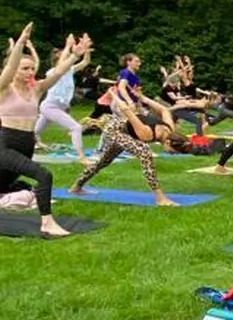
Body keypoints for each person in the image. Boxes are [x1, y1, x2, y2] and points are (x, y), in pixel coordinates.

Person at [0, 26, 93, 236]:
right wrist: (21, 43)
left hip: (26, 144)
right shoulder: (4, 88)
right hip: (5, 143)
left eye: (32, 68)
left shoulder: (37, 88)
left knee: (6, 185)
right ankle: (47, 223)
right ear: (13, 70)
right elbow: (9, 68)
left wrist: (75, 55)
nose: (30, 72)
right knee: (43, 176)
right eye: (25, 68)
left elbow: (59, 72)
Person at [70, 90, 179, 206]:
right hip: (115, 129)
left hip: (125, 132)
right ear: (168, 142)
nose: (172, 154)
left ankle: (76, 187)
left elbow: (164, 110)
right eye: (173, 152)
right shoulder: (146, 133)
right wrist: (113, 95)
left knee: (103, 162)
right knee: (144, 152)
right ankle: (160, 198)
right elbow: (125, 110)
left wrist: (143, 98)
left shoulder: (170, 129)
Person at [34, 41, 92, 159]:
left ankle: (22, 145)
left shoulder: (70, 70)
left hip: (57, 107)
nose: (69, 60)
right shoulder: (52, 72)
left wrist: (87, 50)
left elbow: (86, 62)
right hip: (50, 107)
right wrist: (68, 46)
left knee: (33, 131)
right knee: (76, 128)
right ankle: (82, 157)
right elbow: (61, 65)